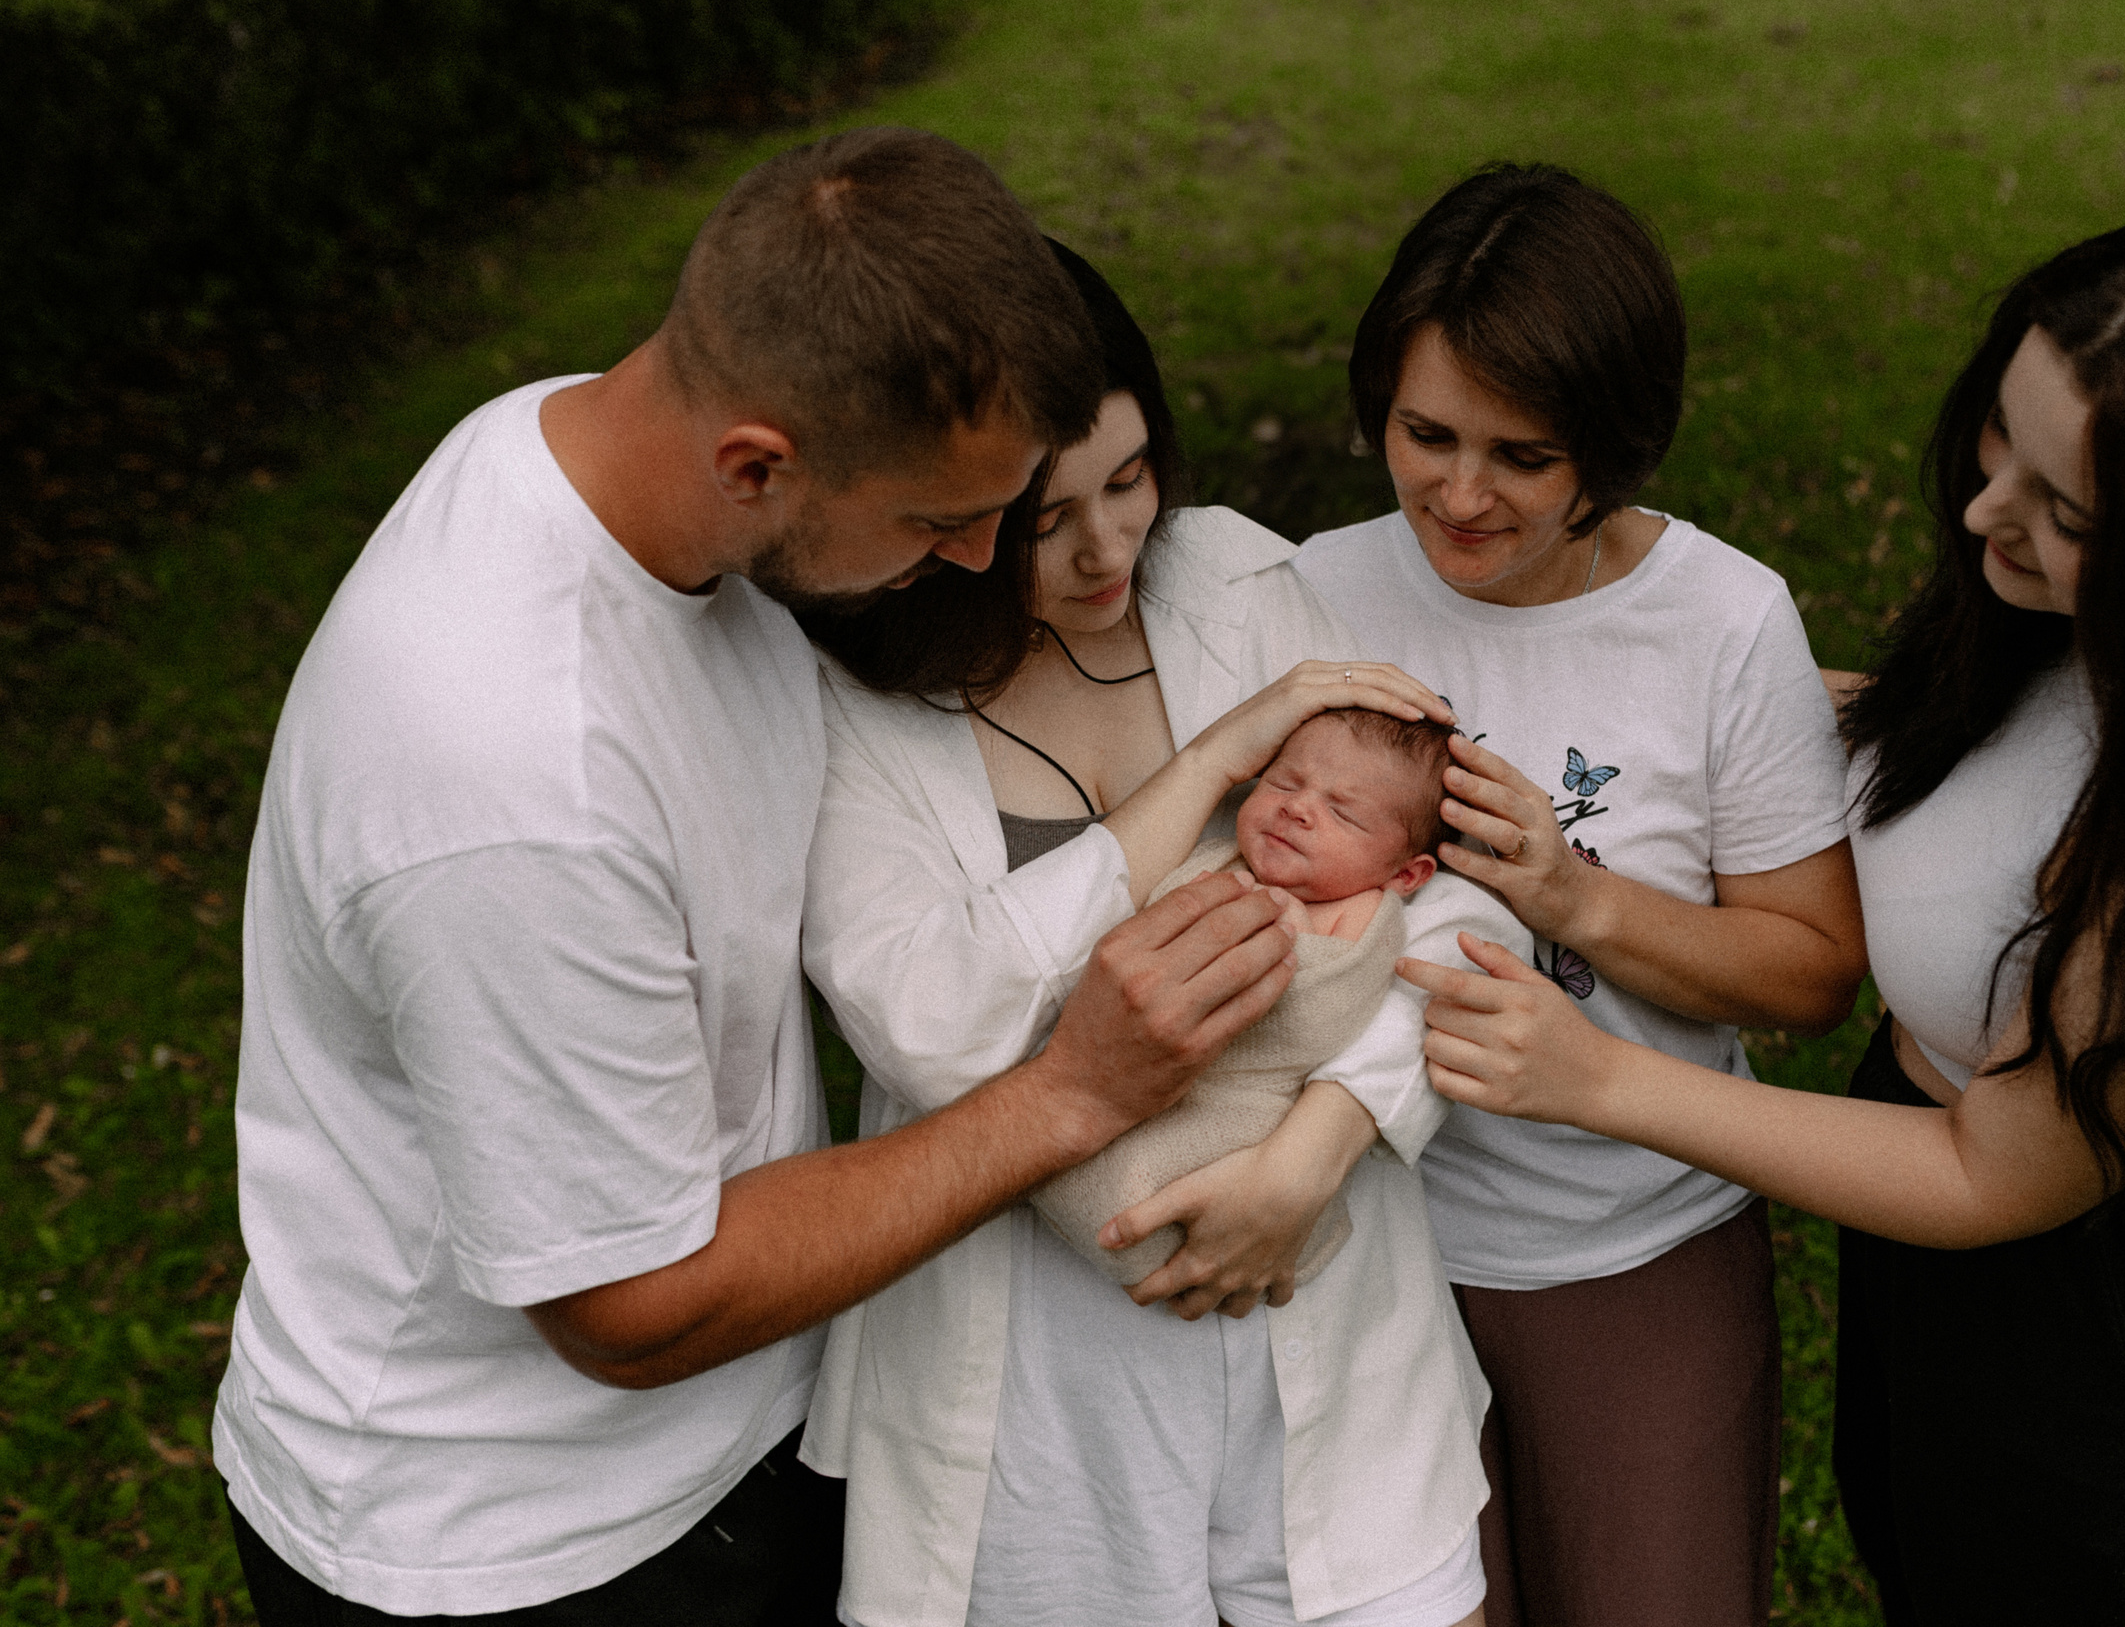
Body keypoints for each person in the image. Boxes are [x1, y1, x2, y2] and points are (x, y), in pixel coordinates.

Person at [214, 129, 1308, 1625]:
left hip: (745, 1441)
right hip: (519, 1541)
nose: (989, 557)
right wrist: (1075, 1095)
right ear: (757, 464)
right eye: (944, 521)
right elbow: (630, 1307)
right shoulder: (514, 780)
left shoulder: (580, 442)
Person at [1405, 194, 2125, 1626]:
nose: (1985, 514)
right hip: (1922, 1237)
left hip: (2095, 1324)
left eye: (2067, 509)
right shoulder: (2055, 636)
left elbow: (1997, 1175)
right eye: (1998, 439)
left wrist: (1599, 1077)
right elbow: (1870, 743)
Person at [793, 242, 1523, 1627]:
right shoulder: (852, 703)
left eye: (1130, 479)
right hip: (1033, 1391)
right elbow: (931, 1026)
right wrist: (1206, 768)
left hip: (1327, 1315)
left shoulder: (1233, 578)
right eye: (1043, 515)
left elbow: (1458, 888)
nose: (1109, 547)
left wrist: (1314, 1156)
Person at [1292, 163, 1869, 1627]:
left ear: (1611, 446)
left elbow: (1808, 976)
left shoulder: (1721, 621)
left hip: (1631, 1248)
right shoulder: (1307, 593)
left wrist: (1576, 897)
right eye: (1424, 434)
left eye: (1523, 456)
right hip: (1362, 1258)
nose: (1459, 493)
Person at [1035, 706, 1459, 1288]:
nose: (1297, 807)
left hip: (1248, 1105)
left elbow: (1323, 1011)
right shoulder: (1216, 860)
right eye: (1285, 781)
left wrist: (1281, 934)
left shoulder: (1363, 913)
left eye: (1343, 812)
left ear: (1406, 876)